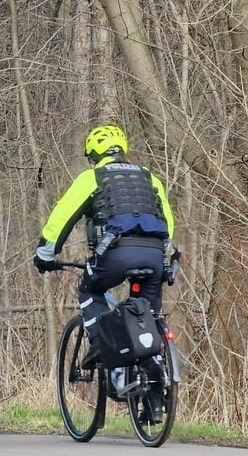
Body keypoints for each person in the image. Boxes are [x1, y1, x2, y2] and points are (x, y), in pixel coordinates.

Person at [32, 124, 175, 422]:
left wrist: (46, 253)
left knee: (90, 290)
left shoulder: (93, 177)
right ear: (123, 149)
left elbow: (63, 216)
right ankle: (154, 394)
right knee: (147, 314)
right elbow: (167, 221)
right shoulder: (150, 178)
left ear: (94, 154)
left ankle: (102, 343)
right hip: (154, 254)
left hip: (116, 254)